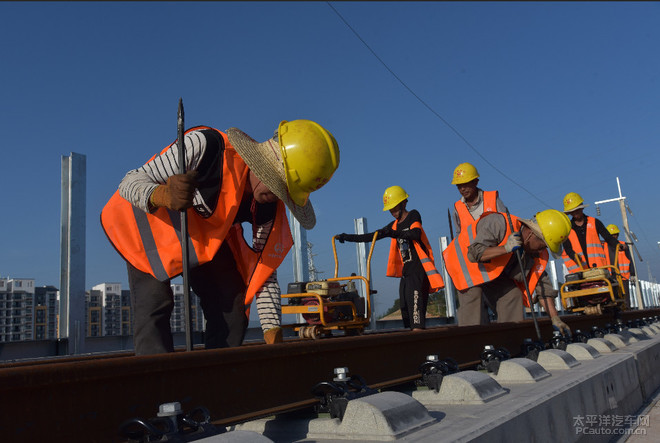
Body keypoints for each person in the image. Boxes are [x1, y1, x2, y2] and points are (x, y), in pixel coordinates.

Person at [101, 119, 340, 355]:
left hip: (199, 240)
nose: (276, 196)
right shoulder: (205, 146)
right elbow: (129, 181)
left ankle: (213, 378)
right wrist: (161, 194)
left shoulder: (268, 205)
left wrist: (272, 331)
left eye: (284, 193)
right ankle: (158, 387)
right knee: (155, 305)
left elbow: (264, 275)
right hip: (149, 230)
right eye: (276, 184)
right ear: (263, 163)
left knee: (232, 304)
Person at [443, 209, 573, 336]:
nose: (543, 249)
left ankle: (509, 341)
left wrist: (555, 318)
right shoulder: (498, 223)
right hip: (467, 267)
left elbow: (542, 285)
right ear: (532, 234)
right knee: (474, 304)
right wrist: (505, 248)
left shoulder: (534, 252)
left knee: (512, 295)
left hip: (492, 272)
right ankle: (473, 346)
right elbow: (474, 253)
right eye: (544, 245)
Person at [336, 186, 444, 331]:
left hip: (418, 272)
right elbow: (371, 236)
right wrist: (347, 237)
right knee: (406, 310)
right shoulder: (393, 226)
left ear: (403, 203)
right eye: (390, 210)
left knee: (416, 315)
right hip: (406, 274)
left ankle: (420, 340)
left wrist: (394, 234)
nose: (392, 213)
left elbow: (416, 234)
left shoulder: (413, 215)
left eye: (394, 208)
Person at [561, 192, 621, 273]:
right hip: (580, 272)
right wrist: (574, 256)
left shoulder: (595, 222)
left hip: (598, 269)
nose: (575, 213)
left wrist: (618, 245)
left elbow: (608, 238)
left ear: (582, 208)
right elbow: (567, 248)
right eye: (572, 211)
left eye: (577, 210)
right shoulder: (566, 229)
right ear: (569, 213)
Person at [450, 162, 507, 235]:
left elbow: (507, 224)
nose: (462, 189)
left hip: (497, 245)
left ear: (475, 182)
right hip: (472, 246)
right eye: (459, 186)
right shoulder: (457, 209)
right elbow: (460, 236)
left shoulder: (492, 199)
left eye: (465, 184)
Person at [603, 224, 635, 308]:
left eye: (615, 234)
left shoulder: (623, 245)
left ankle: (626, 312)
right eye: (612, 235)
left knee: (625, 297)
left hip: (623, 277)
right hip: (609, 277)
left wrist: (633, 274)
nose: (614, 236)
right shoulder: (603, 246)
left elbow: (630, 260)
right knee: (612, 297)